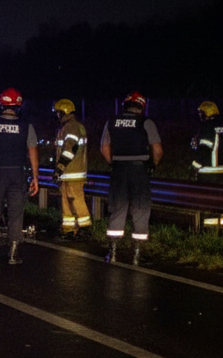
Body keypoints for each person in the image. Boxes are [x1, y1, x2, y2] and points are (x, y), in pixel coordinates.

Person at [0, 88, 40, 264]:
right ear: (19, 105)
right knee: (16, 213)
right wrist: (35, 177)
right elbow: (33, 152)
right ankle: (13, 254)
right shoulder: (27, 126)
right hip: (18, 173)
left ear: (1, 104)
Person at [100, 91, 163, 264]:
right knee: (141, 209)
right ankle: (137, 255)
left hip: (119, 169)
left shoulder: (111, 122)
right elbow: (157, 150)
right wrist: (152, 166)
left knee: (117, 208)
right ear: (142, 106)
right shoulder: (146, 122)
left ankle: (112, 253)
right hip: (139, 170)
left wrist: (112, 163)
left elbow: (104, 148)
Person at [52, 98, 91, 239]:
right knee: (67, 202)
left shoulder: (71, 126)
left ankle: (85, 229)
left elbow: (70, 148)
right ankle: (69, 230)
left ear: (64, 112)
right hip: (69, 173)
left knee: (76, 200)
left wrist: (60, 167)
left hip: (72, 172)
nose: (57, 116)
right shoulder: (69, 126)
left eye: (58, 113)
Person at [190, 100, 223, 231]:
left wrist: (195, 166)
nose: (200, 116)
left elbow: (205, 149)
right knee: (219, 201)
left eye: (201, 113)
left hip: (208, 172)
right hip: (221, 171)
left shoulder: (206, 127)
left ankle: (207, 230)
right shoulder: (221, 127)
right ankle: (220, 226)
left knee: (205, 202)